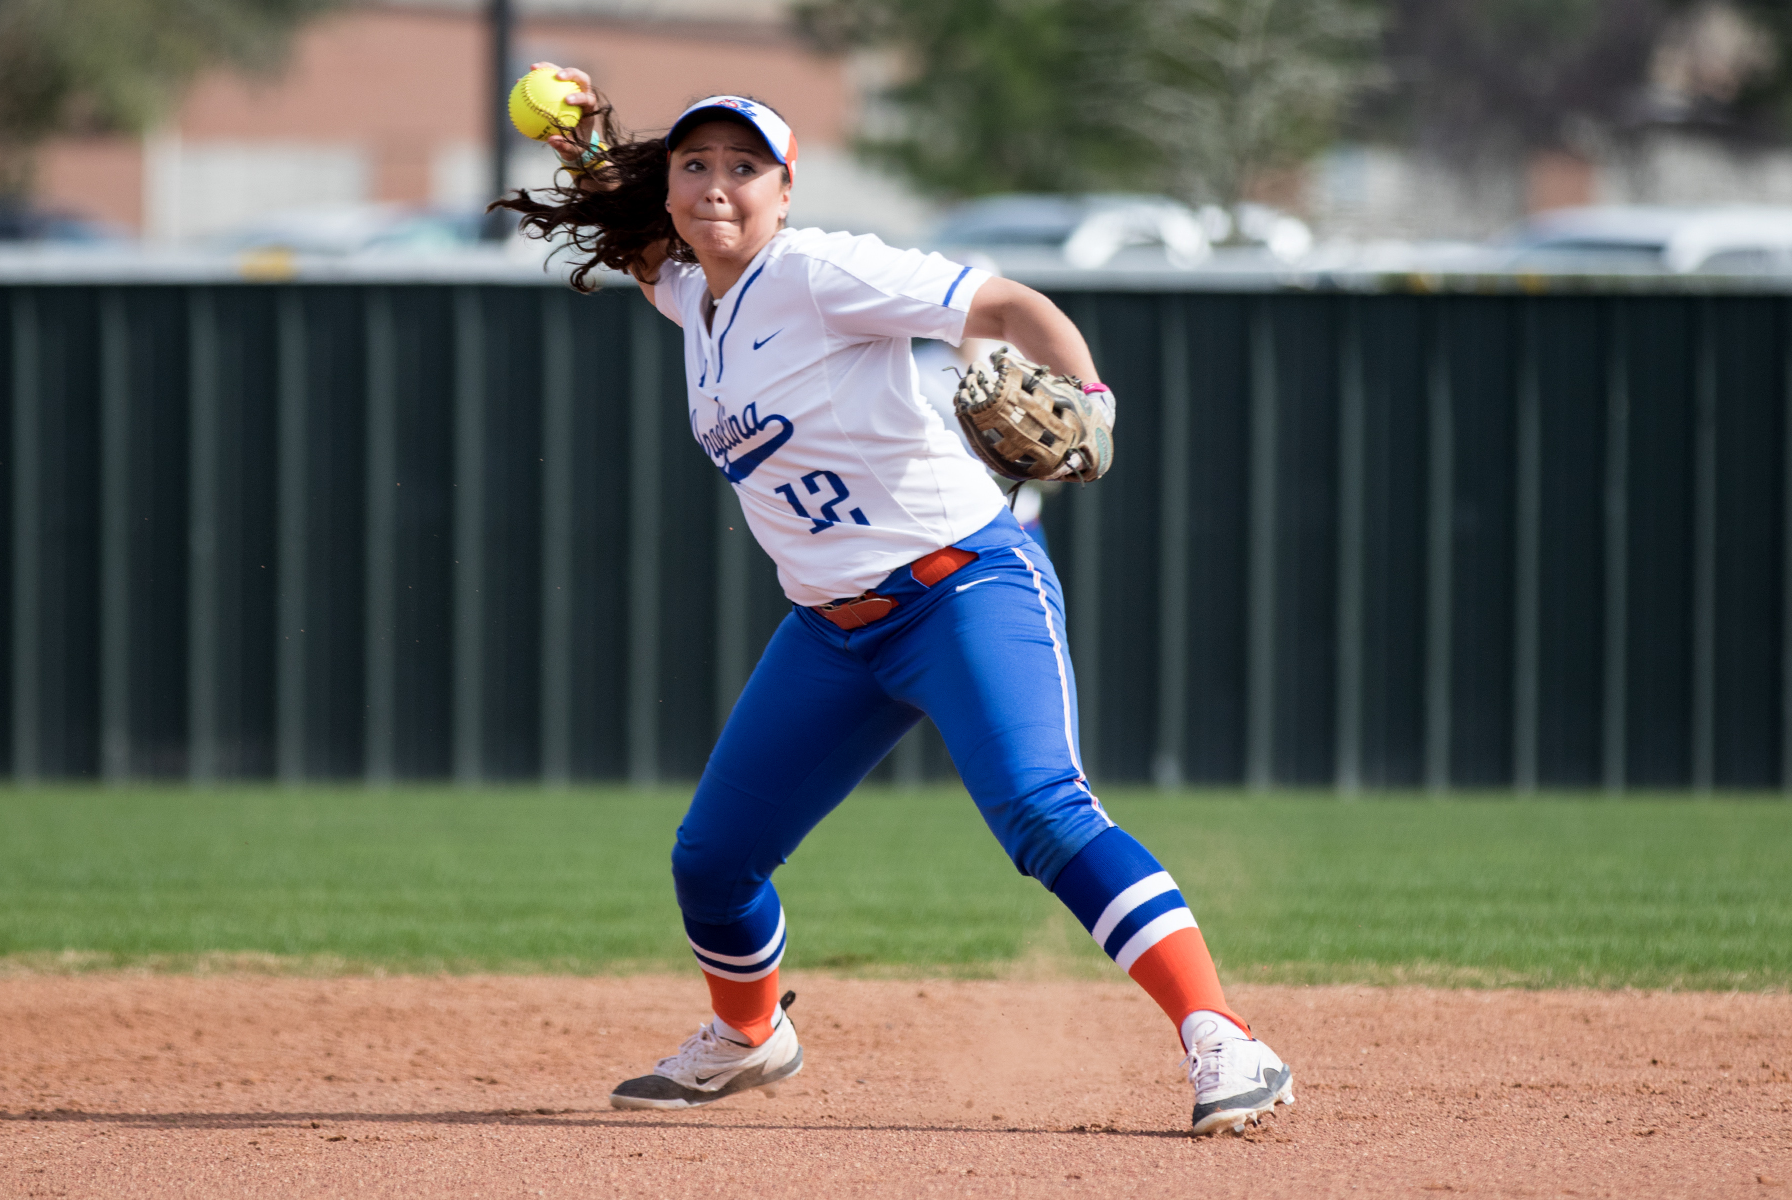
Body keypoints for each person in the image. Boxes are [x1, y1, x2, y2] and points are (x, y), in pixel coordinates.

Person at [494, 66, 1295, 1136]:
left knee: (1043, 814)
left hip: (961, 586)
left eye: (745, 167)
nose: (716, 187)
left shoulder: (821, 272)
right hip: (832, 632)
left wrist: (1093, 401)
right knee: (714, 858)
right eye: (696, 166)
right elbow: (649, 249)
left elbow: (1010, 303)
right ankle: (748, 1035)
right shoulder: (697, 297)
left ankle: (1225, 1039)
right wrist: (589, 153)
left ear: (786, 190)